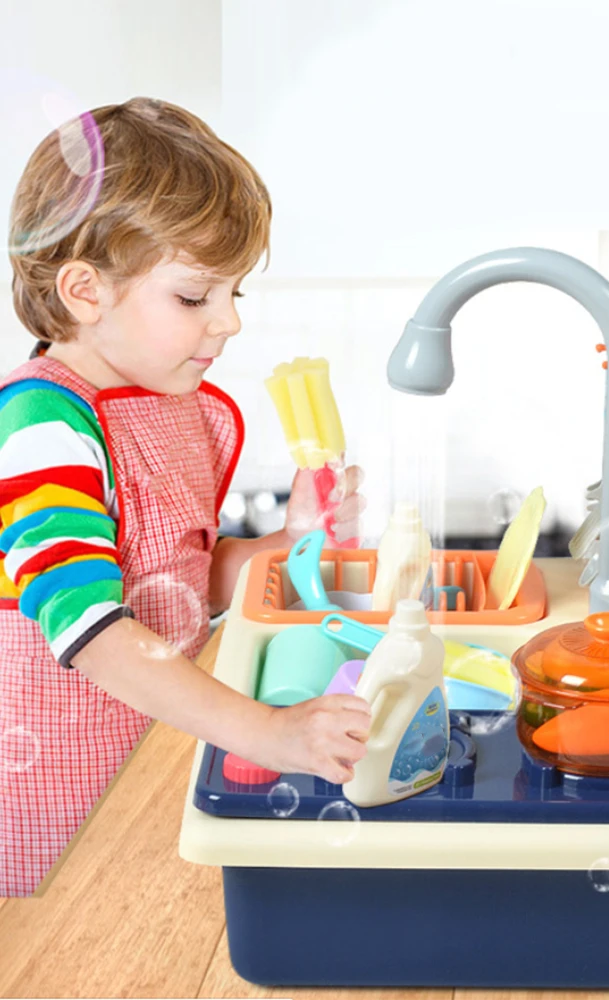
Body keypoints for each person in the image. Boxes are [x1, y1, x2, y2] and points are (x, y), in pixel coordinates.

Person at [0, 98, 370, 896]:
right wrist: (272, 734)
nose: (230, 322)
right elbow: (95, 628)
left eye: (237, 294)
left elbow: (178, 577)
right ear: (83, 290)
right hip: (59, 810)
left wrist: (293, 541)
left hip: (154, 768)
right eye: (196, 297)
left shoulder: (169, 406)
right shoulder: (40, 426)